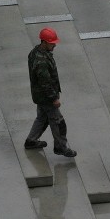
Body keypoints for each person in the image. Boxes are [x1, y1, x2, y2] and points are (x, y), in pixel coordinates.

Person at [24, 27, 77, 157]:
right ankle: (60, 147)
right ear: (44, 42)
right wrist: (54, 98)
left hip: (40, 95)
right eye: (52, 43)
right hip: (46, 97)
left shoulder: (35, 52)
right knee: (59, 122)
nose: (54, 45)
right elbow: (45, 82)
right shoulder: (41, 60)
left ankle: (31, 141)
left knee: (42, 118)